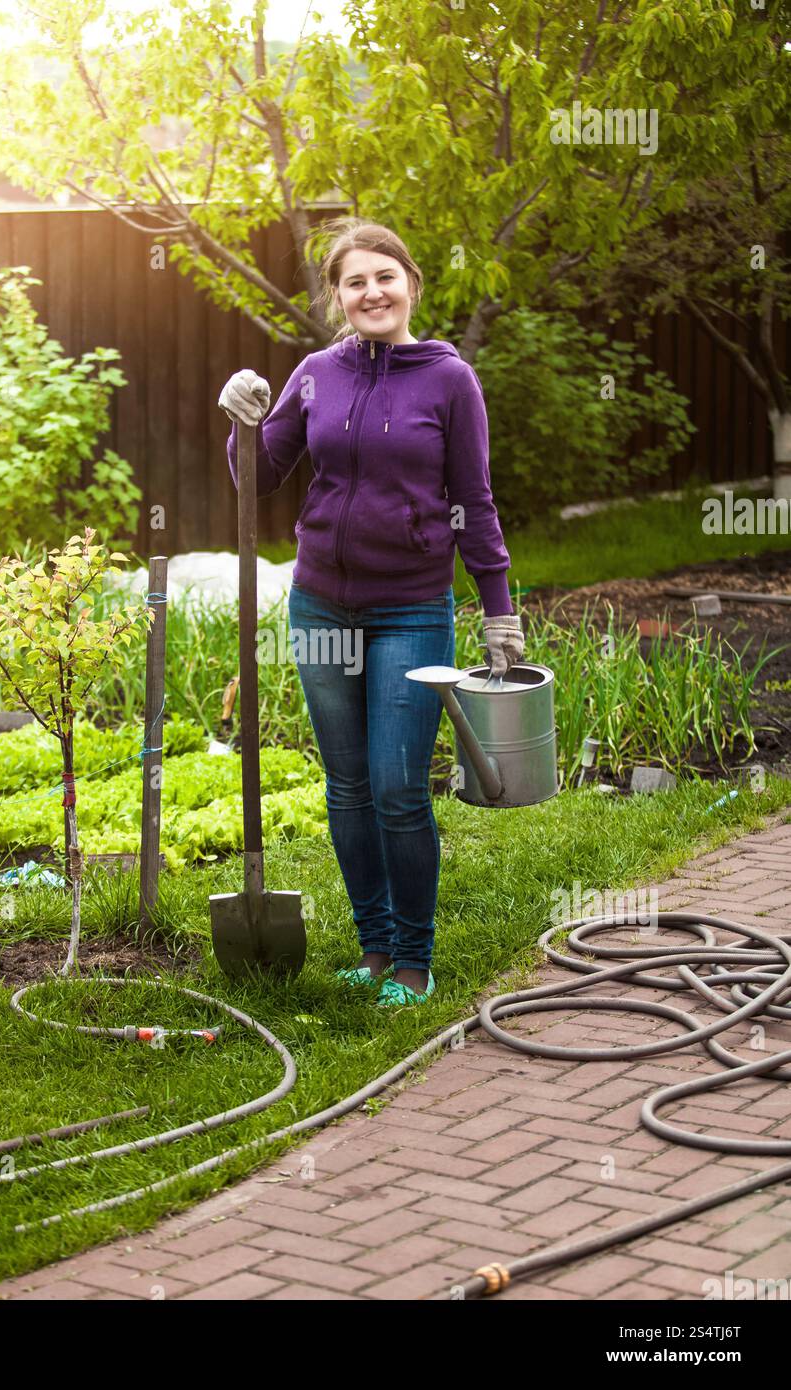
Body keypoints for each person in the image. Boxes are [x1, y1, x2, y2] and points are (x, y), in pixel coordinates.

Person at [218, 218, 523, 1008]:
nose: (371, 292)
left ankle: (414, 959)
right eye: (354, 282)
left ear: (410, 284)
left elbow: (475, 501)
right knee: (348, 785)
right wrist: (239, 422)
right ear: (338, 297)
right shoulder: (316, 373)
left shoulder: (449, 380)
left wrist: (497, 610)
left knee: (395, 784)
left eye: (383, 276)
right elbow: (259, 477)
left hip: (410, 608)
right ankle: (373, 946)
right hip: (320, 605)